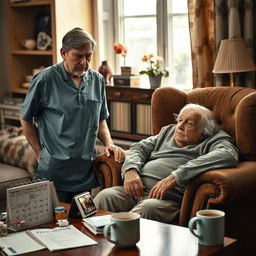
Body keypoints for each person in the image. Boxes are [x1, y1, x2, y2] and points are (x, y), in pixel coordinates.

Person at [20, 28, 125, 203]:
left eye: (88, 56)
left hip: (85, 172)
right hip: (54, 172)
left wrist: (109, 143)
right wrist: (39, 152)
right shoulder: (45, 79)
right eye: (78, 56)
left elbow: (100, 119)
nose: (84, 62)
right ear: (63, 53)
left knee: (83, 226)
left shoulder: (97, 80)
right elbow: (25, 118)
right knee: (54, 227)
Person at [94, 103, 239, 223]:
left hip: (166, 200)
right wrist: (130, 170)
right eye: (180, 120)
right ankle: (95, 244)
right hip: (134, 190)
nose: (180, 126)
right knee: (105, 196)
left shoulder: (214, 139)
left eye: (189, 123)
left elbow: (228, 154)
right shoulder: (167, 131)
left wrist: (177, 176)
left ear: (203, 132)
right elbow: (139, 147)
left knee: (146, 210)